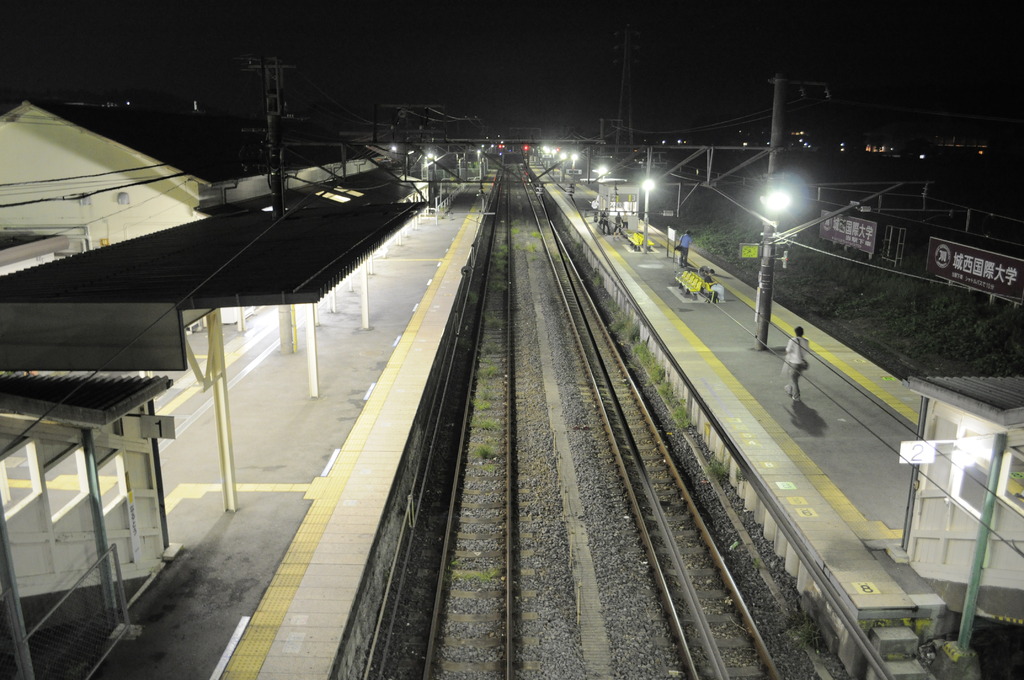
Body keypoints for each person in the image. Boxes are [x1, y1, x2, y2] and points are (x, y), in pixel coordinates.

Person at [783, 326, 809, 402]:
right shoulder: (806, 341)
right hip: (802, 363)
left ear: (795, 332)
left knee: (794, 380)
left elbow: (788, 350)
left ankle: (796, 396)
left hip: (794, 363)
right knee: (795, 378)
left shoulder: (793, 340)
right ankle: (789, 388)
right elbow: (807, 350)